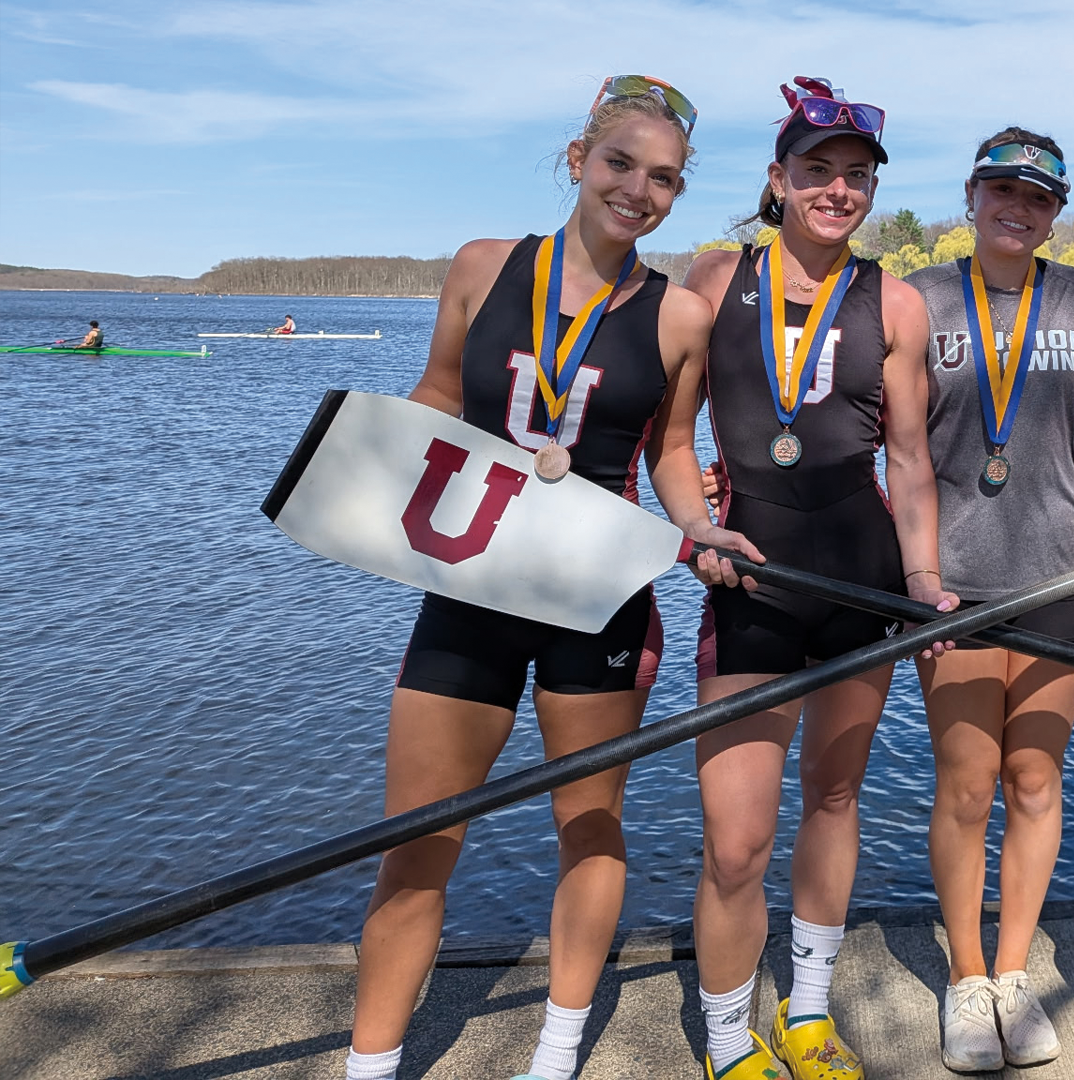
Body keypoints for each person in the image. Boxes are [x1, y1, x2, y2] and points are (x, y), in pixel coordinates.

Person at [341, 75, 745, 1080]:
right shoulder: (484, 267)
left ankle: (555, 1055)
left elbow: (670, 452)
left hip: (594, 595)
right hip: (472, 587)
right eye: (620, 165)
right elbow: (439, 390)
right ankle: (370, 1065)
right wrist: (383, 481)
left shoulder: (681, 314)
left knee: (590, 826)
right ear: (577, 160)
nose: (637, 191)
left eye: (663, 180)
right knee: (418, 840)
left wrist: (699, 528)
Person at [681, 76, 954, 1080]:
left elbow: (912, 460)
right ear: (777, 180)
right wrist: (698, 520)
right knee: (737, 838)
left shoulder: (897, 301)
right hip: (749, 575)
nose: (838, 190)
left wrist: (923, 580)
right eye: (818, 172)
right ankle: (722, 1039)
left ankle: (803, 1014)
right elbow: (669, 431)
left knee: (834, 801)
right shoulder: (715, 278)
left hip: (862, 578)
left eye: (856, 177)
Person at [902, 127, 1074, 1073]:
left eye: (1039, 197)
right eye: (1002, 190)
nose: (1018, 208)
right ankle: (966, 980)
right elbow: (878, 438)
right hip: (953, 584)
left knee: (1035, 783)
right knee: (968, 786)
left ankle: (1015, 977)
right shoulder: (922, 298)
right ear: (973, 194)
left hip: (1063, 573)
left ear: (1057, 211)